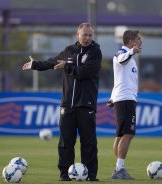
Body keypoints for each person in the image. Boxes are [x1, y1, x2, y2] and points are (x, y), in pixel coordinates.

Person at [22, 22, 102, 181]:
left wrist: (67, 66)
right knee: (65, 142)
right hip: (67, 105)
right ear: (77, 35)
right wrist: (35, 64)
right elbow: (52, 62)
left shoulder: (95, 52)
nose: (87, 38)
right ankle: (64, 175)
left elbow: (84, 72)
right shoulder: (68, 51)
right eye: (84, 34)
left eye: (90, 35)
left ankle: (91, 176)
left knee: (89, 143)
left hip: (86, 105)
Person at [107, 30, 142, 180]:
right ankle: (119, 169)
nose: (141, 41)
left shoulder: (130, 57)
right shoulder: (122, 53)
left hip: (124, 98)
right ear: (131, 41)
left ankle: (118, 168)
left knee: (121, 134)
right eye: (139, 39)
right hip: (126, 100)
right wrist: (132, 52)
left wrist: (112, 98)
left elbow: (119, 79)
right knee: (128, 133)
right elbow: (120, 59)